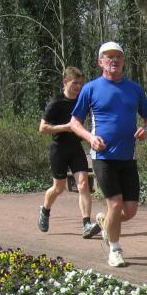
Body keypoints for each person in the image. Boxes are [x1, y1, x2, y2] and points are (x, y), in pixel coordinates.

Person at [70, 41, 147, 268]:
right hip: (103, 157)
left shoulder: (134, 89)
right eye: (109, 56)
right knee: (115, 205)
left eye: (118, 56)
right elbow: (74, 122)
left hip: (128, 157)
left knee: (130, 211)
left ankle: (104, 221)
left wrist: (146, 129)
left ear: (123, 61)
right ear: (101, 62)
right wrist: (90, 137)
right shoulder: (90, 89)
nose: (114, 60)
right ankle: (115, 250)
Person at [37, 66, 101, 239]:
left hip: (75, 147)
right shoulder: (55, 102)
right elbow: (42, 128)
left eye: (80, 83)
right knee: (59, 187)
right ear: (65, 82)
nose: (78, 87)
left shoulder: (82, 100)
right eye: (75, 83)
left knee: (83, 184)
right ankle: (45, 209)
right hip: (58, 148)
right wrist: (66, 127)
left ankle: (86, 224)